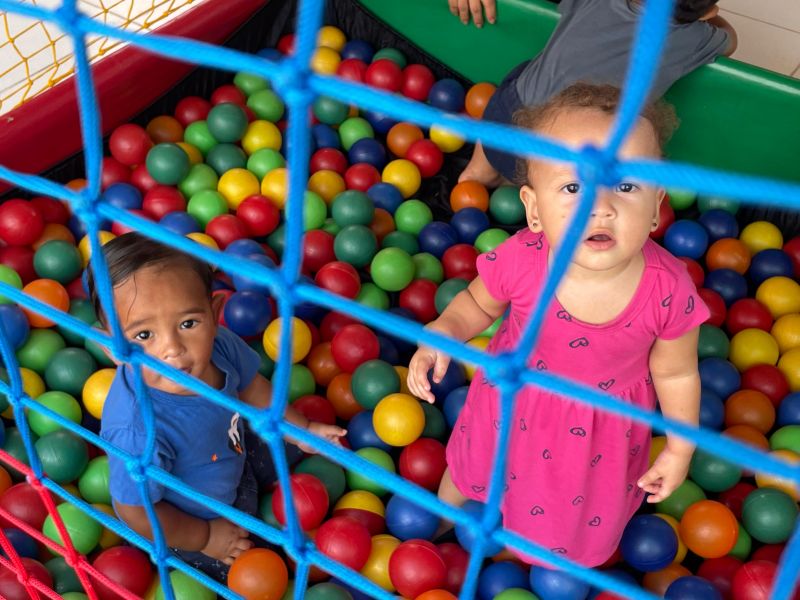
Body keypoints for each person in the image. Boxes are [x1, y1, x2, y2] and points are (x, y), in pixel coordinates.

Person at [407, 83, 709, 566]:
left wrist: (679, 450)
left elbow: (676, 373)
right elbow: (476, 305)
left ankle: (536, 562)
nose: (601, 205)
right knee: (476, 467)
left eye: (626, 186)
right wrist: (442, 334)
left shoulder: (668, 289)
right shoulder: (522, 260)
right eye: (572, 187)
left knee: (568, 521)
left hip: (596, 437)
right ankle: (444, 518)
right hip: (508, 404)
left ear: (656, 205)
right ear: (533, 209)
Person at [87, 232, 346, 581]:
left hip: (235, 452)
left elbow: (252, 386)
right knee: (255, 574)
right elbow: (136, 511)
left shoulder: (220, 346)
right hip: (191, 523)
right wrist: (206, 537)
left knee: (307, 461)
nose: (172, 349)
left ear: (214, 314)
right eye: (144, 335)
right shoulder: (135, 428)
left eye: (188, 324)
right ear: (111, 347)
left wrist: (302, 429)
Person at [449, 0, 737, 187]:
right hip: (566, 167)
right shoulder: (695, 39)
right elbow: (731, 40)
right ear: (709, 12)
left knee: (526, 74)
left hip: (504, 127)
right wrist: (707, 20)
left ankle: (477, 171)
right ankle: (520, 190)